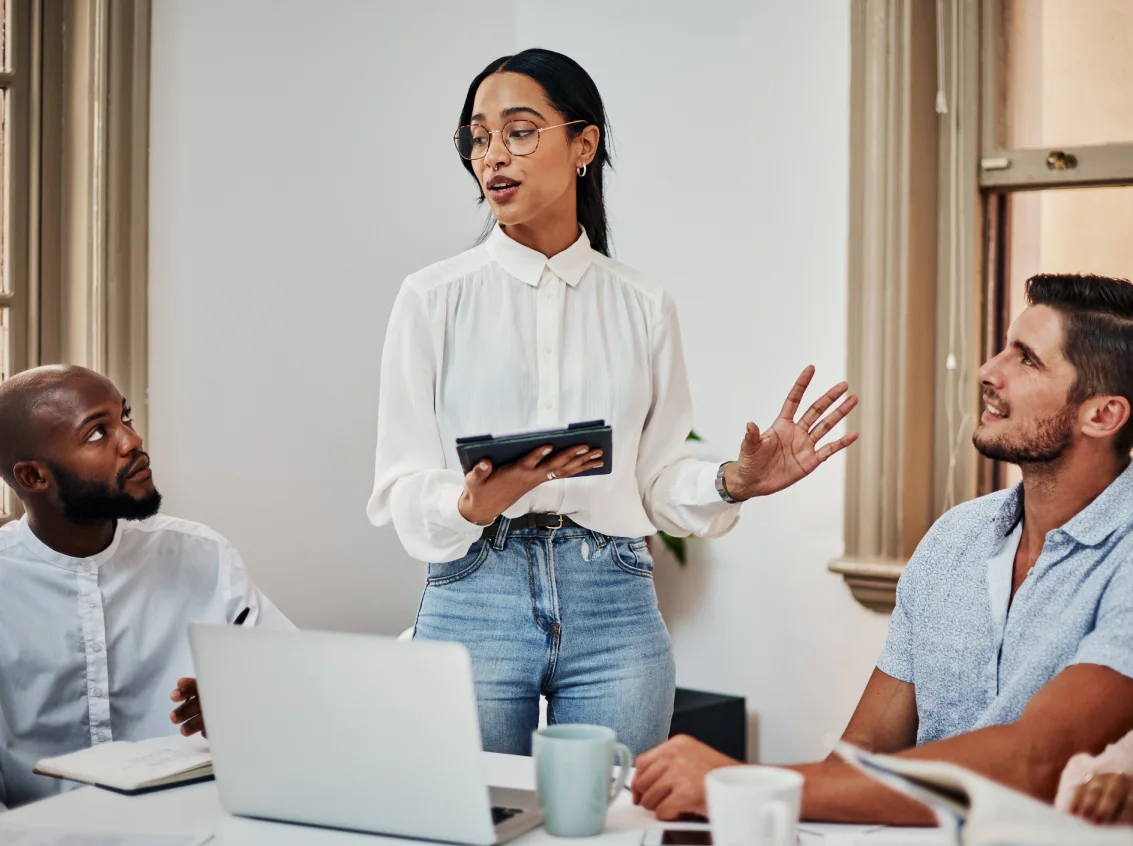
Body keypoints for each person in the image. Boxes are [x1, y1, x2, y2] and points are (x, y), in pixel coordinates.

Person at [367, 48, 858, 758]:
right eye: (477, 136)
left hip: (614, 601)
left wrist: (733, 480)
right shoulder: (430, 299)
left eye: (519, 130)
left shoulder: (643, 304)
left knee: (615, 821)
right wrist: (470, 503)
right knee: (472, 824)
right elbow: (400, 482)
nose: (492, 155)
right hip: (476, 590)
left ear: (583, 144)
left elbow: (656, 480)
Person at [630, 273, 1133, 823]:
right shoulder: (954, 539)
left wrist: (740, 784)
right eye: (1003, 349)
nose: (989, 372)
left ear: (1102, 414)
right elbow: (864, 749)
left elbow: (1031, 765)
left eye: (1027, 359)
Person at [0, 365, 292, 809]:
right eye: (97, 433)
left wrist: (246, 708)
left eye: (126, 418)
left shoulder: (203, 556)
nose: (132, 441)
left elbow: (302, 699)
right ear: (34, 477)